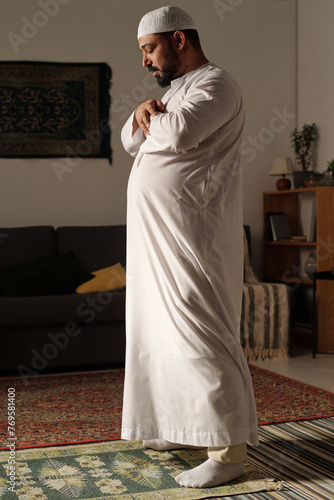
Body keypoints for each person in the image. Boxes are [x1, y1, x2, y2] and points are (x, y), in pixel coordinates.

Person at [121, 5, 259, 488]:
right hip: (157, 238)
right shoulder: (177, 92)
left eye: (149, 49)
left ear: (179, 40)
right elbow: (130, 140)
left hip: (192, 236)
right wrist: (142, 113)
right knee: (159, 334)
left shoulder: (216, 85)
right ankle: (178, 427)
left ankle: (227, 452)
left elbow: (180, 133)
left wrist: (151, 118)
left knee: (199, 333)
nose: (145, 62)